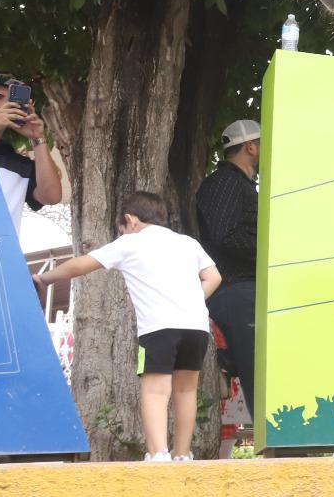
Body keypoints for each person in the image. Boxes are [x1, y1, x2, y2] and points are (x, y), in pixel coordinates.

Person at [34, 191, 220, 461]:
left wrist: (44, 280)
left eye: (121, 228)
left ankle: (158, 454)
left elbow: (80, 265)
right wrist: (190, 300)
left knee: (156, 389)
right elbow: (214, 276)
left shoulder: (129, 244)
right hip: (196, 326)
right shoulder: (187, 243)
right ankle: (182, 455)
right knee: (186, 390)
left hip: (159, 328)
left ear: (130, 220)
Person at [196, 119, 260, 419]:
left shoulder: (241, 184)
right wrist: (270, 250)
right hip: (235, 290)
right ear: (251, 146)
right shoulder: (223, 182)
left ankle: (225, 360)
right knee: (259, 373)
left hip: (245, 290)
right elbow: (225, 235)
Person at [0, 68, 64, 232]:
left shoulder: (17, 162)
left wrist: (38, 138)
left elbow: (51, 196)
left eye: (12, 100)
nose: (4, 105)